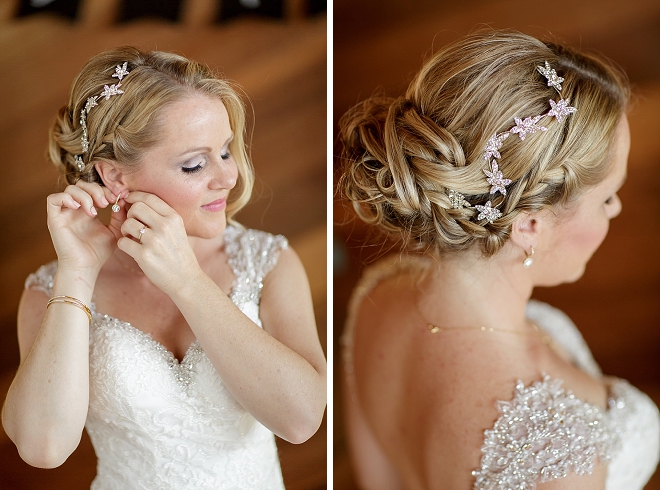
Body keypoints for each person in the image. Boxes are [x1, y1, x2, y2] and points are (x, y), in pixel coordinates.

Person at [339, 31, 659, 490]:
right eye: (607, 197)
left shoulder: (380, 291)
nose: (617, 210)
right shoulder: (559, 463)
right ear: (529, 224)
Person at [1, 46, 327, 489]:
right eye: (194, 163)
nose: (228, 177)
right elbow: (43, 448)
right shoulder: (48, 293)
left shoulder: (267, 262)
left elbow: (302, 419)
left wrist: (187, 281)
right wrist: (76, 275)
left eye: (226, 151)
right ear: (115, 178)